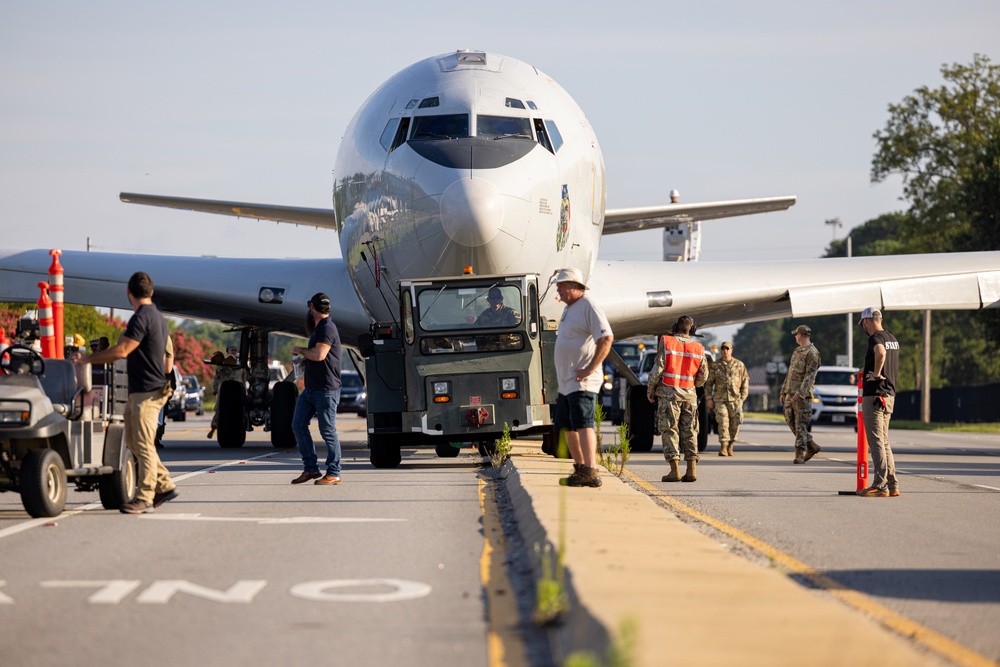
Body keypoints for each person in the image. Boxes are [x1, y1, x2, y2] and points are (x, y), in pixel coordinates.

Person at [73, 272, 178, 514]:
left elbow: (122, 350)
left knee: (142, 444)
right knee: (133, 441)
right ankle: (164, 485)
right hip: (142, 390)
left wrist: (87, 359)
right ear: (151, 292)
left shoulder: (142, 317)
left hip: (148, 392)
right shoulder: (157, 317)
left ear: (128, 293)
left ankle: (145, 497)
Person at [552, 268, 613, 488]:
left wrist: (589, 368)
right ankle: (580, 468)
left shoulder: (589, 306)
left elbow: (606, 338)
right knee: (565, 426)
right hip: (566, 382)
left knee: (583, 423)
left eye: (562, 285)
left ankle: (591, 469)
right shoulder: (569, 309)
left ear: (576, 287)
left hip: (581, 381)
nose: (558, 288)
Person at [290, 292, 344, 485]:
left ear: (312, 307)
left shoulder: (327, 327)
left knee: (328, 430)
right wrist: (304, 360)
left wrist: (300, 350)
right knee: (298, 425)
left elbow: (320, 355)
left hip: (326, 389)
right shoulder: (318, 328)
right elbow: (320, 356)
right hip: (312, 389)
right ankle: (311, 469)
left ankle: (334, 472)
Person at [646, 316, 709, 482]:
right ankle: (691, 470)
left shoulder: (667, 342)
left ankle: (674, 471)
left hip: (669, 394)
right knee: (690, 431)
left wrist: (650, 388)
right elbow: (703, 375)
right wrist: (693, 385)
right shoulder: (698, 347)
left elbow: (658, 369)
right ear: (692, 330)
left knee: (670, 429)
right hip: (690, 396)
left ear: (675, 327)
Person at [857, 307, 901, 498]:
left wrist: (875, 375)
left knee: (875, 443)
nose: (864, 328)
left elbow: (880, 353)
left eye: (863, 324)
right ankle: (892, 485)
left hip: (874, 396)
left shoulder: (875, 339)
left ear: (867, 321)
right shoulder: (892, 339)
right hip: (889, 395)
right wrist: (863, 370)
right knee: (884, 442)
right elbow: (883, 356)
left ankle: (879, 485)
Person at [780, 324, 822, 464]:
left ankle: (799, 453)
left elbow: (809, 376)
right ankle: (812, 445)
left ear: (802, 335)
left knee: (800, 424)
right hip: (789, 393)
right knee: (790, 420)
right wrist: (783, 391)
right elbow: (790, 372)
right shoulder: (797, 351)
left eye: (796, 334)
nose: (795, 337)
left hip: (802, 395)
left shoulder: (813, 353)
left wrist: (801, 392)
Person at [704, 341, 749, 456]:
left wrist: (742, 397)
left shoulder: (739, 365)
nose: (725, 351)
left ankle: (730, 445)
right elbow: (709, 383)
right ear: (720, 350)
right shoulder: (715, 365)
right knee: (723, 423)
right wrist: (709, 398)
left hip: (735, 400)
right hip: (720, 400)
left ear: (731, 350)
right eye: (723, 349)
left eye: (727, 349)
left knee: (735, 423)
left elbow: (745, 381)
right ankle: (723, 447)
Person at [207, 346, 247, 439]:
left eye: (235, 350)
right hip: (224, 391)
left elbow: (244, 378)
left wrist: (245, 390)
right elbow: (217, 377)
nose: (233, 351)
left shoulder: (240, 364)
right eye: (232, 350)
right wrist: (215, 389)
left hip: (238, 391)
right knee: (219, 409)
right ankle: (213, 428)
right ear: (227, 351)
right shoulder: (222, 363)